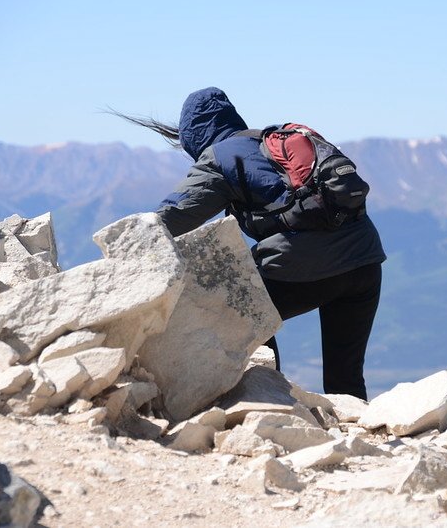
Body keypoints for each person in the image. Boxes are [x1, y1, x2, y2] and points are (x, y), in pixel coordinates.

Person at [116, 87, 385, 400]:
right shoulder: (267, 142)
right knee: (345, 378)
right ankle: (359, 433)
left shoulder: (219, 158)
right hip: (365, 260)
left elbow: (173, 218)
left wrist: (121, 251)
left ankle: (269, 399)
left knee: (238, 310)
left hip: (305, 266)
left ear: (194, 134)